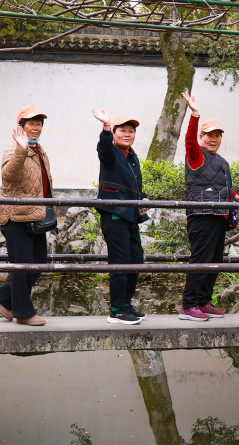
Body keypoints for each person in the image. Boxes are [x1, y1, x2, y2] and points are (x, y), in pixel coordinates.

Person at [180, 91, 239, 321]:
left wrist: (237, 198)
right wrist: (194, 114)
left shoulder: (221, 161)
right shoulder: (196, 155)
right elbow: (189, 140)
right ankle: (188, 305)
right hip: (202, 213)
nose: (213, 139)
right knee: (200, 259)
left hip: (219, 215)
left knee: (214, 261)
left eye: (217, 136)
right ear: (201, 136)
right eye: (209, 135)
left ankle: (203, 302)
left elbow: (223, 186)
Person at [0, 105, 52, 326]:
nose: (36, 127)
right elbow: (9, 176)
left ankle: (2, 296)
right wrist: (21, 151)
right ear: (21, 127)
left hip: (36, 217)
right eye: (31, 123)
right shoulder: (14, 149)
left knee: (39, 263)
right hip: (16, 217)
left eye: (39, 123)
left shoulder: (39, 150)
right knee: (22, 267)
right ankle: (23, 313)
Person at [91, 108, 149, 325]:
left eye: (131, 131)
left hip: (131, 215)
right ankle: (116, 311)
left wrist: (142, 197)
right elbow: (103, 149)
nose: (127, 134)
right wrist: (106, 127)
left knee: (135, 260)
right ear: (114, 133)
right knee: (120, 261)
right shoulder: (112, 151)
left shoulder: (131, 156)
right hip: (115, 214)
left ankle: (125, 304)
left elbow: (131, 184)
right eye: (122, 130)